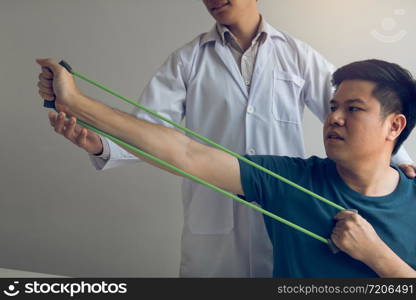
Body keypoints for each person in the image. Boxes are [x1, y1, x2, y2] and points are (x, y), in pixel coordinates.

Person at [38, 0, 416, 277]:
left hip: (290, 213)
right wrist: (100, 142)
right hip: (222, 211)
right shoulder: (188, 60)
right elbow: (159, 136)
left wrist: (402, 163)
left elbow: (365, 114)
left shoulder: (297, 56)